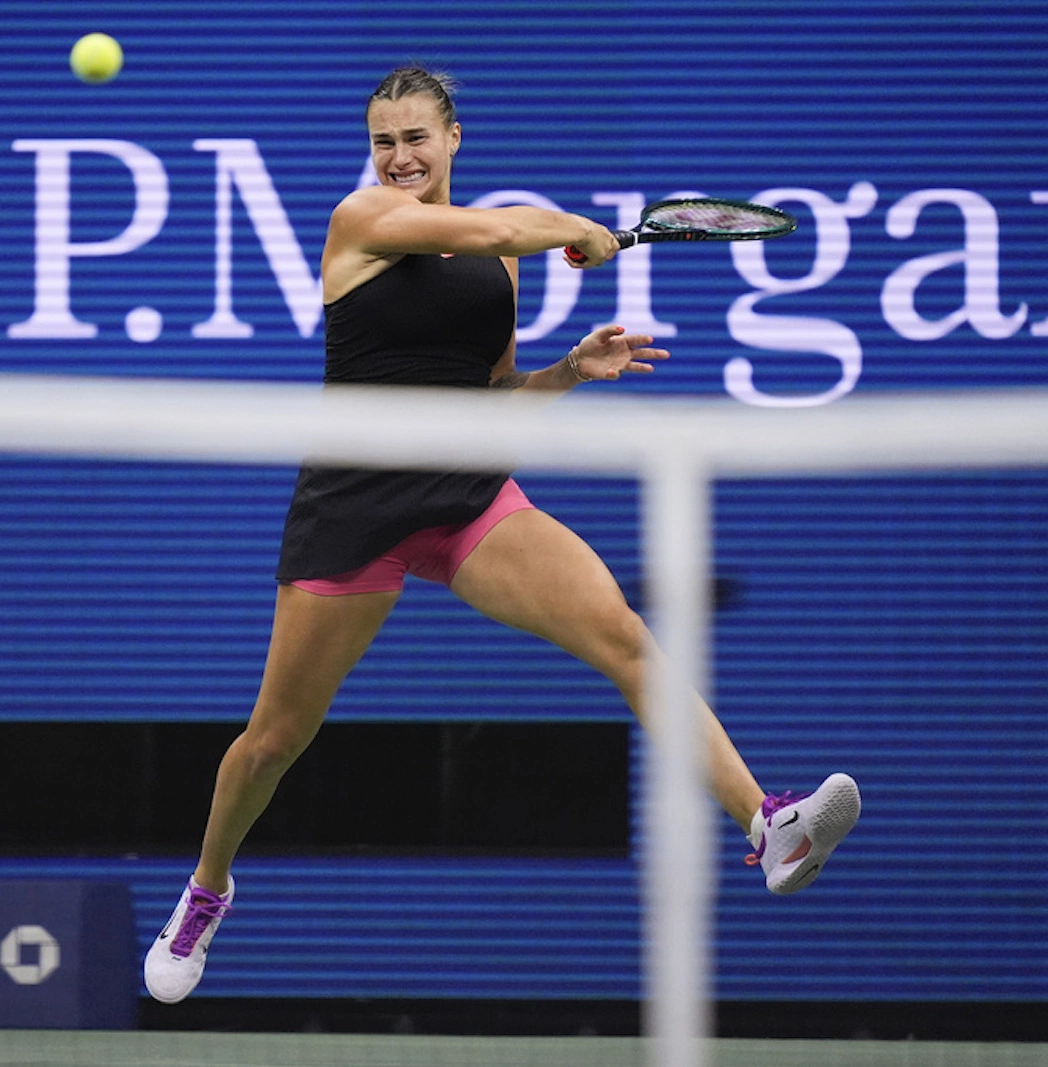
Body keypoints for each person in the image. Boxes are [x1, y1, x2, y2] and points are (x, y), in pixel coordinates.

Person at [143, 67, 860, 1005]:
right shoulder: (362, 221)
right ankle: (207, 888)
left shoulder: (500, 263)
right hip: (354, 507)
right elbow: (494, 224)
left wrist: (569, 369)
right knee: (274, 739)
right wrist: (572, 227)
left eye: (417, 139)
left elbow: (488, 398)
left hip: (466, 496)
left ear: (453, 140)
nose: (399, 157)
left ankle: (768, 824)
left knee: (623, 635)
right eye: (385, 140)